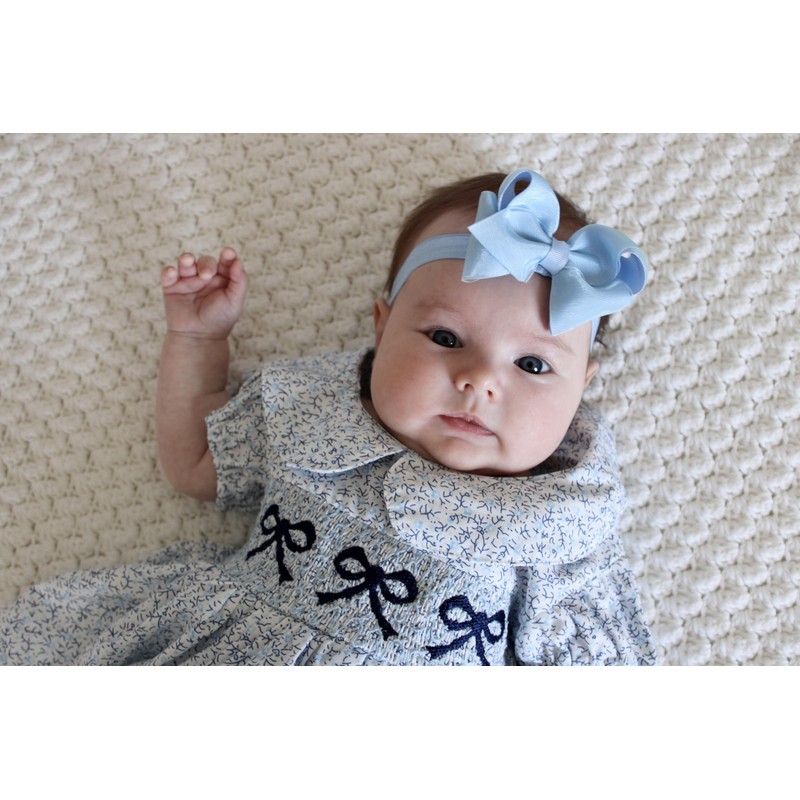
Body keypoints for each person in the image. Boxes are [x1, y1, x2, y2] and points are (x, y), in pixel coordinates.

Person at [0, 168, 657, 665]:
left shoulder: (565, 517)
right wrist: (198, 340)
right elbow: (194, 461)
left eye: (533, 365)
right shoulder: (313, 410)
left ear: (581, 389)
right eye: (446, 338)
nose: (480, 380)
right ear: (382, 326)